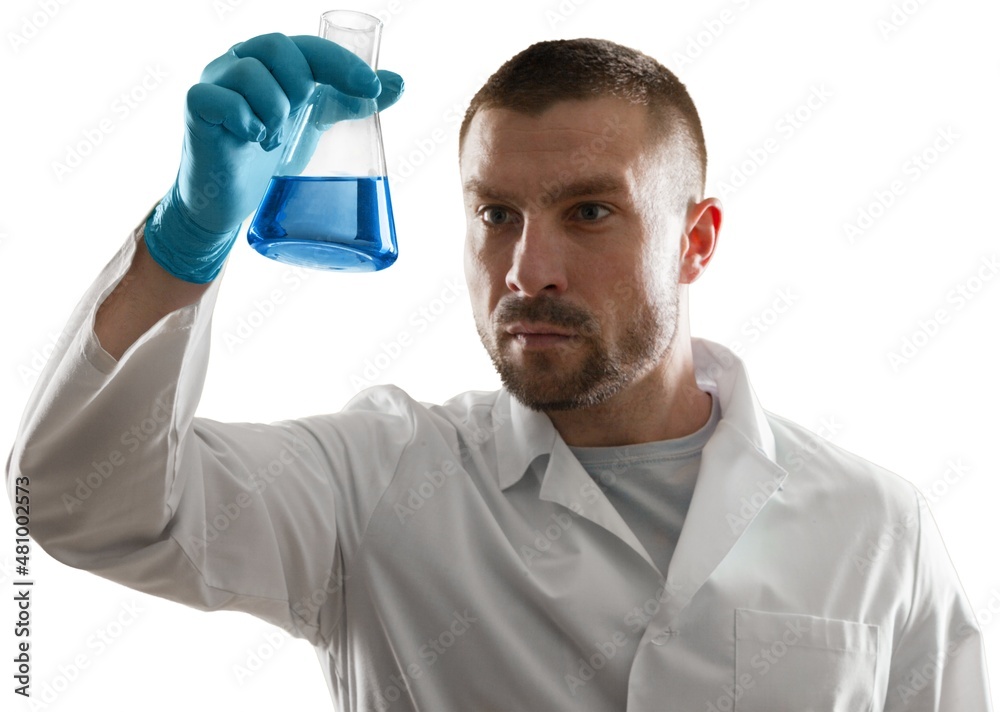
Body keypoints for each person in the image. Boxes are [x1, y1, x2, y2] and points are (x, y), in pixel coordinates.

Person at [6, 31, 993, 711]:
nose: (528, 269)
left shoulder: (876, 525)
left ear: (696, 241)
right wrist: (187, 242)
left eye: (589, 212)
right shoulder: (381, 478)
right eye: (495, 214)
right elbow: (80, 502)